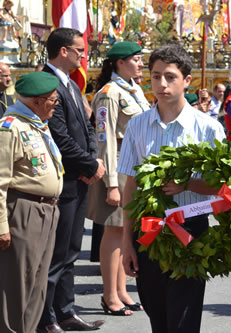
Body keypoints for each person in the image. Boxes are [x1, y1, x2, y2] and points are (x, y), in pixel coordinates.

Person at [118, 43, 225, 333]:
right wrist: (127, 241)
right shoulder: (137, 126)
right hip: (149, 230)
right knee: (157, 315)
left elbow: (222, 187)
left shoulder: (207, 128)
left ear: (187, 80)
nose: (161, 84)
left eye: (170, 76)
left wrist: (187, 184)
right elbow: (131, 185)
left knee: (183, 320)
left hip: (190, 230)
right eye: (155, 76)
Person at [38, 27, 106, 333]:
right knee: (55, 255)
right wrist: (90, 164)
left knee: (71, 251)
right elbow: (59, 137)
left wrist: (92, 162)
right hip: (62, 181)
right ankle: (45, 317)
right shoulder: (47, 83)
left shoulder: (72, 85)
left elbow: (88, 128)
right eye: (79, 50)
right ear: (63, 51)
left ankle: (65, 310)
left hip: (79, 178)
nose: (83, 55)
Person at [87, 41, 149, 316]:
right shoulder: (109, 94)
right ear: (120, 62)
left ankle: (122, 291)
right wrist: (111, 183)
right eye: (136, 59)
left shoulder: (132, 90)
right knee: (114, 232)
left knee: (127, 231)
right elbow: (105, 140)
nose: (141, 64)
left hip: (133, 166)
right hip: (118, 169)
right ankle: (109, 295)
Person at [0, 71, 63, 333]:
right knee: (17, 285)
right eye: (52, 100)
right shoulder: (10, 127)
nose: (55, 105)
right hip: (23, 211)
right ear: (37, 101)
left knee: (37, 283)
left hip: (47, 210)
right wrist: (2, 224)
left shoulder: (36, 123)